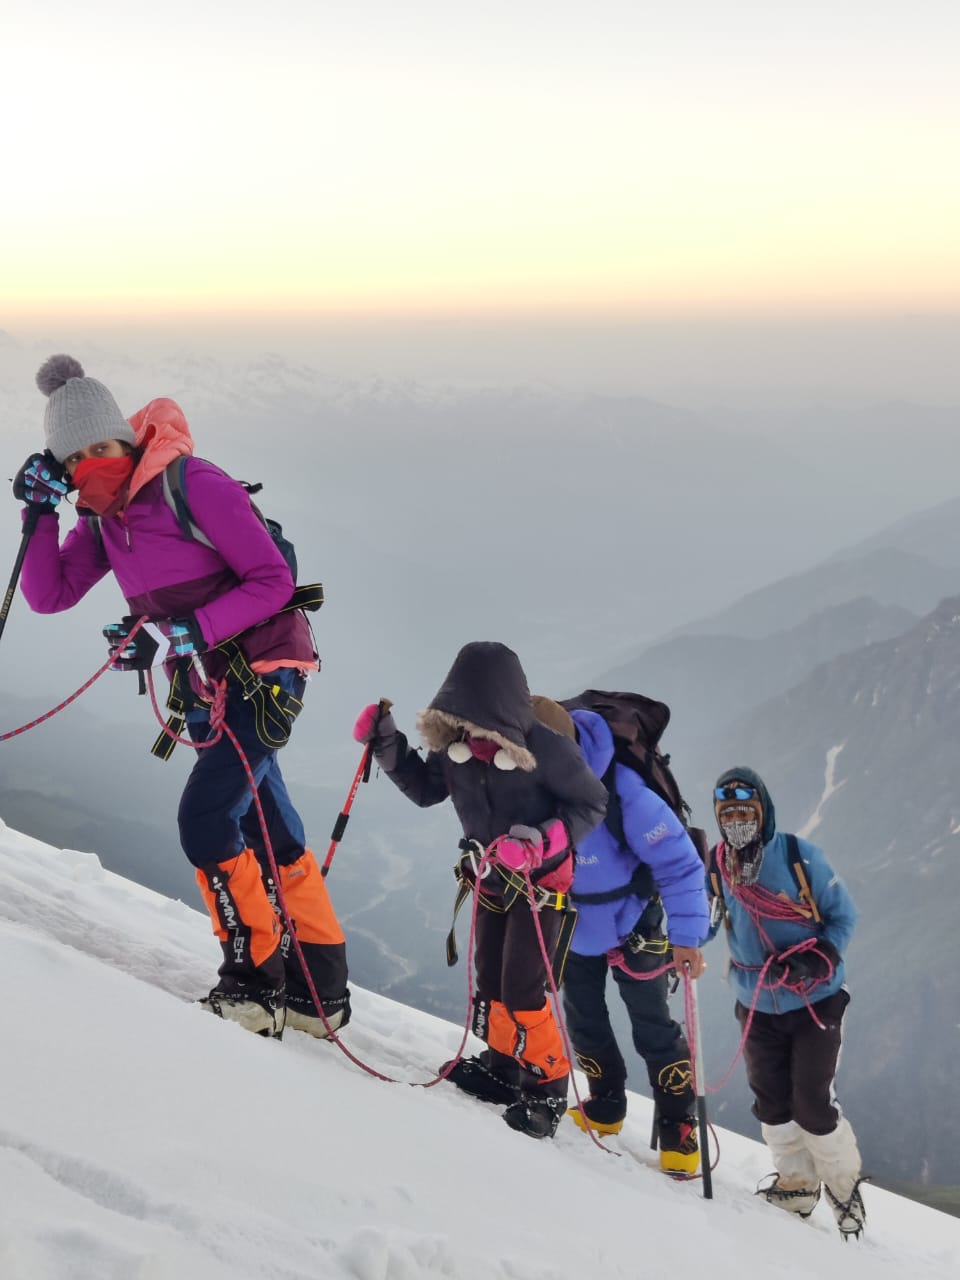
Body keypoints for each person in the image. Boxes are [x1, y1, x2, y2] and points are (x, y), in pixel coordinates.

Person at [13, 354, 350, 1039]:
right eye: (75, 458)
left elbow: (272, 582)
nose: (92, 463)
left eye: (102, 447)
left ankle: (254, 987)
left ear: (127, 441)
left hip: (265, 674)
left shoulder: (192, 485)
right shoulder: (103, 518)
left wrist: (188, 632)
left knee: (206, 821)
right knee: (268, 829)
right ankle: (322, 995)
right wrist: (39, 513)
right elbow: (49, 595)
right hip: (209, 683)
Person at [353, 641, 607, 1139]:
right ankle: (502, 1067)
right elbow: (427, 789)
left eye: (472, 714)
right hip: (491, 877)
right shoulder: (455, 750)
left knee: (521, 986)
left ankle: (547, 1085)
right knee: (489, 976)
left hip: (541, 888)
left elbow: (592, 804)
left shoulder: (547, 748)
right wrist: (388, 747)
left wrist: (540, 845)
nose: (466, 725)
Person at [533, 697, 709, 1175]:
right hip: (572, 919)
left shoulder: (623, 788)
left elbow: (678, 863)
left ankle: (679, 1126)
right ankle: (605, 1103)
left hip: (635, 922)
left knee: (652, 1024)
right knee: (584, 1016)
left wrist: (688, 937)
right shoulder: (537, 782)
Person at [707, 766, 865, 1238]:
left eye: (745, 810)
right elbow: (707, 922)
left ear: (763, 812)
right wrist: (679, 937)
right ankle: (796, 1186)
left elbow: (843, 917)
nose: (737, 820)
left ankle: (843, 1190)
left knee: (812, 1105)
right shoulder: (718, 866)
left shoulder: (800, 857)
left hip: (816, 1000)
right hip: (755, 1002)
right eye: (727, 811)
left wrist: (816, 961)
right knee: (772, 1102)